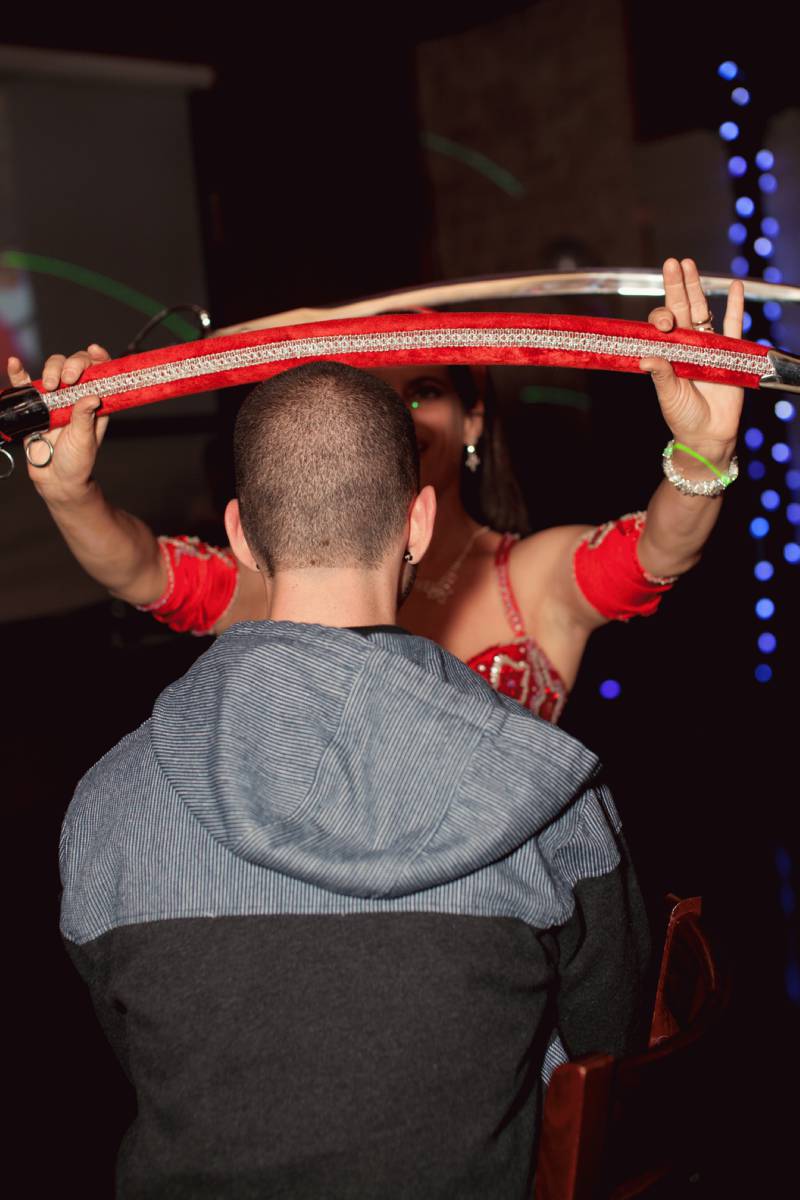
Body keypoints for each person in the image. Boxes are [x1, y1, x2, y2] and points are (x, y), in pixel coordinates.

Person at [60, 360, 650, 1197]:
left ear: (240, 535)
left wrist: (65, 488)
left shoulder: (107, 803)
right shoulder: (557, 792)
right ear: (418, 523)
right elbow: (606, 1053)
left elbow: (139, 1047)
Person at [11, 258, 744, 722]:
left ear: (474, 419)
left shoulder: (534, 575)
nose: (399, 417)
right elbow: (141, 570)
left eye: (424, 391)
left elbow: (661, 551)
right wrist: (70, 494)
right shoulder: (287, 575)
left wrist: (705, 451)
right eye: (378, 397)